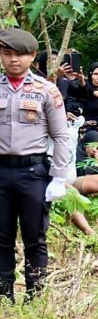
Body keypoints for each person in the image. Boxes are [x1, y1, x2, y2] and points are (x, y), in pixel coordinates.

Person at [0, 28, 71, 302]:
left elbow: (61, 136)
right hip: (2, 171)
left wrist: (59, 178)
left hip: (34, 172)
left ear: (31, 56)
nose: (13, 60)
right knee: (2, 236)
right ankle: (4, 294)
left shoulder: (46, 90)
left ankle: (35, 295)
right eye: (7, 54)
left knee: (35, 237)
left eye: (19, 54)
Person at [67, 61, 98, 131]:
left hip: (96, 134)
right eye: (95, 74)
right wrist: (82, 82)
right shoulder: (82, 88)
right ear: (90, 75)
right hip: (76, 130)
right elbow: (81, 92)